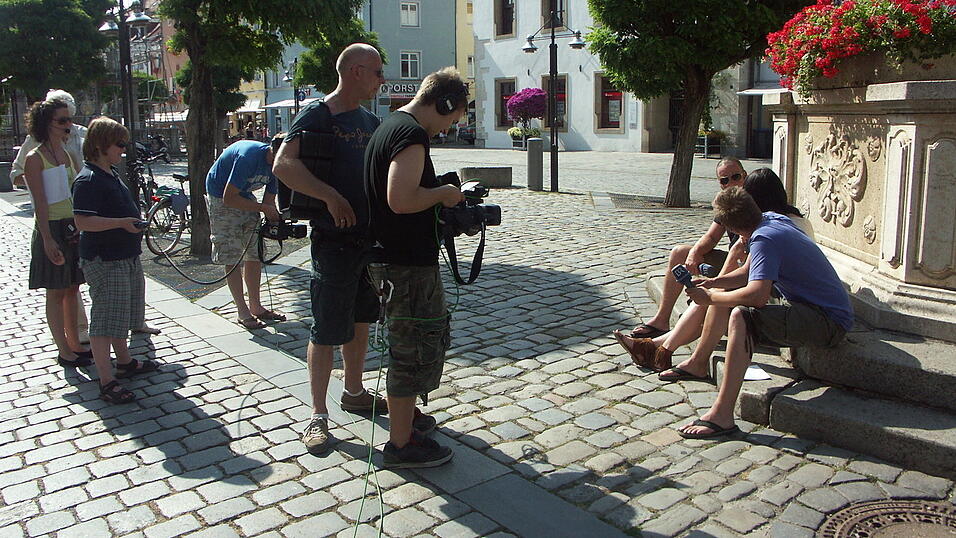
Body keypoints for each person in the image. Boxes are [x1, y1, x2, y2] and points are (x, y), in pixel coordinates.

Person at [272, 43, 387, 453]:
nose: (381, 79)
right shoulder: (317, 113)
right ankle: (318, 416)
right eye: (377, 72)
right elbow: (284, 165)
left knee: (360, 319)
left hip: (365, 238)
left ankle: (354, 392)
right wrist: (330, 197)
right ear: (356, 71)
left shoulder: (372, 120)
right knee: (325, 328)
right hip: (332, 239)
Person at [676, 186, 852, 438]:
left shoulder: (763, 240)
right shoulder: (772, 220)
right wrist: (714, 283)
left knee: (741, 317)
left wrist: (711, 298)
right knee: (737, 311)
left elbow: (757, 296)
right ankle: (719, 405)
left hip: (828, 322)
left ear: (734, 230)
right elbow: (750, 271)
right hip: (822, 312)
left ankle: (722, 414)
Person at [364, 66, 469, 468]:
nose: (448, 128)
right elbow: (400, 199)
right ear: (442, 104)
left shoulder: (390, 124)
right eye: (452, 118)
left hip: (391, 259)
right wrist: (444, 193)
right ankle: (401, 444)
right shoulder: (411, 136)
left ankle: (405, 421)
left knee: (408, 343)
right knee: (412, 349)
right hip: (404, 264)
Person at [614, 168, 812, 375]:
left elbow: (757, 289)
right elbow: (742, 268)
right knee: (711, 294)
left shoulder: (768, 231)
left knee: (716, 301)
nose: (732, 184)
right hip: (771, 284)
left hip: (784, 297)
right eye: (725, 180)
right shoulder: (778, 221)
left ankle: (676, 354)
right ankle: (659, 346)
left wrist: (714, 288)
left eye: (738, 180)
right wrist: (713, 282)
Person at [73, 117, 161, 404]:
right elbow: (84, 221)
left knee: (121, 314)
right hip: (105, 258)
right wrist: (122, 223)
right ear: (101, 145)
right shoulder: (88, 179)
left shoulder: (108, 172)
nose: (124, 149)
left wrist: (131, 223)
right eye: (119, 144)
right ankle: (106, 380)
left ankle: (124, 362)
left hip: (124, 255)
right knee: (105, 319)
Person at [626, 157, 748, 339]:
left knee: (706, 295)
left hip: (746, 264)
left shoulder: (751, 200)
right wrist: (694, 253)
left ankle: (665, 346)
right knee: (679, 253)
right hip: (732, 257)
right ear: (720, 184)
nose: (730, 183)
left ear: (744, 176)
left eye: (735, 177)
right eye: (724, 180)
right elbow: (712, 236)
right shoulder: (727, 202)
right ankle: (661, 320)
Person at [14, 90, 92, 342]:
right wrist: (47, 238)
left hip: (71, 224)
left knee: (72, 288)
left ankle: (77, 341)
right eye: (62, 121)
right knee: (56, 292)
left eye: (69, 119)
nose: (69, 125)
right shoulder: (34, 156)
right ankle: (65, 348)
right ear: (46, 123)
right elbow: (40, 202)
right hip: (52, 226)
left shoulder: (68, 153)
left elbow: (79, 186)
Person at [206, 135, 286, 329]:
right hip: (221, 196)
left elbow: (269, 200)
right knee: (231, 253)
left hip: (244, 196)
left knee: (254, 253)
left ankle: (256, 306)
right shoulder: (248, 157)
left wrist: (274, 216)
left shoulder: (279, 164)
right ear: (273, 151)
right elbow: (229, 198)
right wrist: (263, 209)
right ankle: (242, 311)